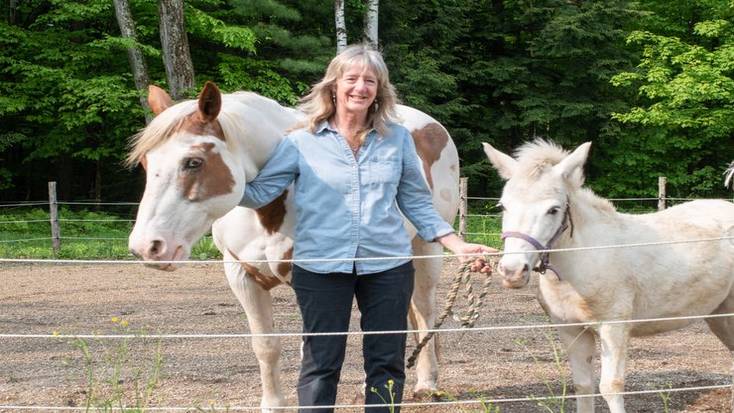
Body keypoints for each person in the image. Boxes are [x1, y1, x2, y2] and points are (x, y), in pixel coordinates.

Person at [240, 44, 496, 412]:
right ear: (333, 85)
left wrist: (456, 244)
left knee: (386, 364)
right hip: (320, 268)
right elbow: (261, 191)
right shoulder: (300, 141)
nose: (360, 87)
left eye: (370, 81)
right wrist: (219, 187)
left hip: (388, 268)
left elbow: (417, 203)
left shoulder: (398, 140)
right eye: (352, 78)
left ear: (380, 90)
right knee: (320, 365)